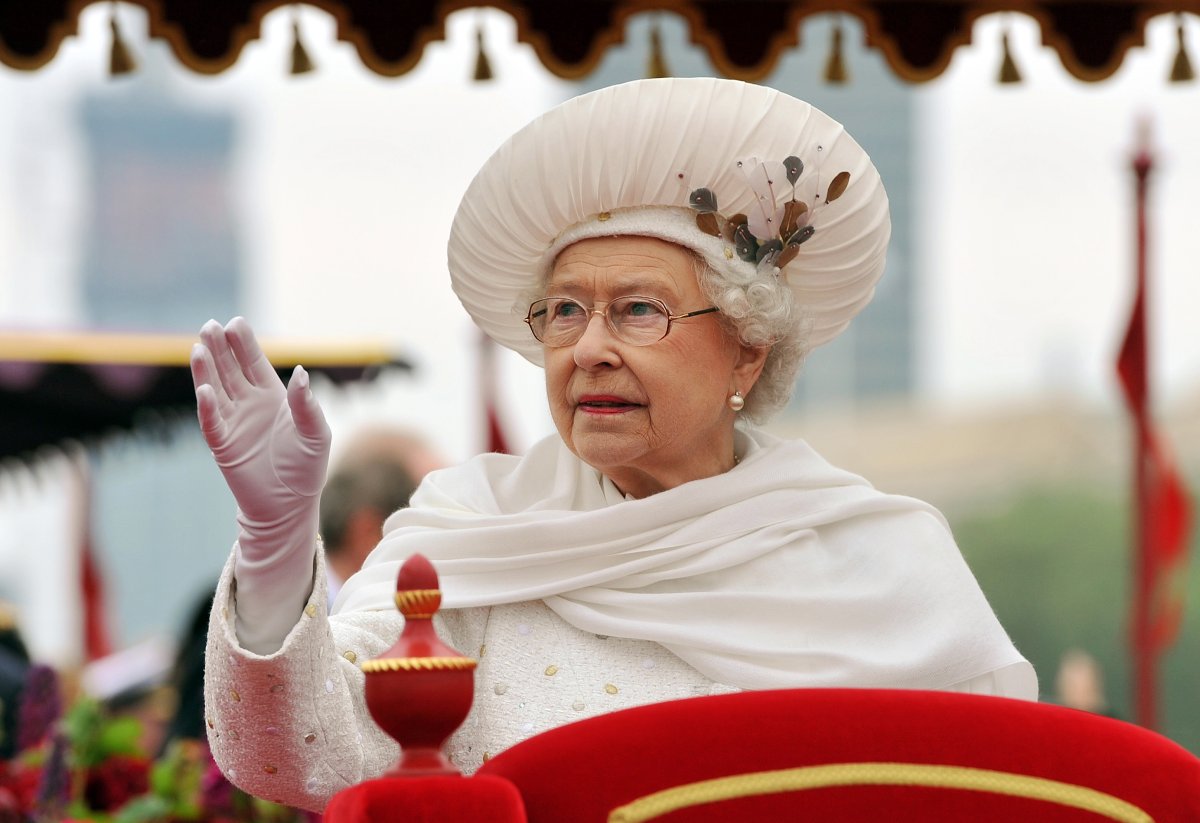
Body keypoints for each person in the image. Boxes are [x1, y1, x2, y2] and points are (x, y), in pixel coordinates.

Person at [190, 78, 1037, 812]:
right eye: (564, 310)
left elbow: (988, 789)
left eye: (637, 309)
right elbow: (303, 755)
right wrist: (274, 544)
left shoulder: (880, 557)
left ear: (747, 347)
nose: (588, 346)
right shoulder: (469, 533)